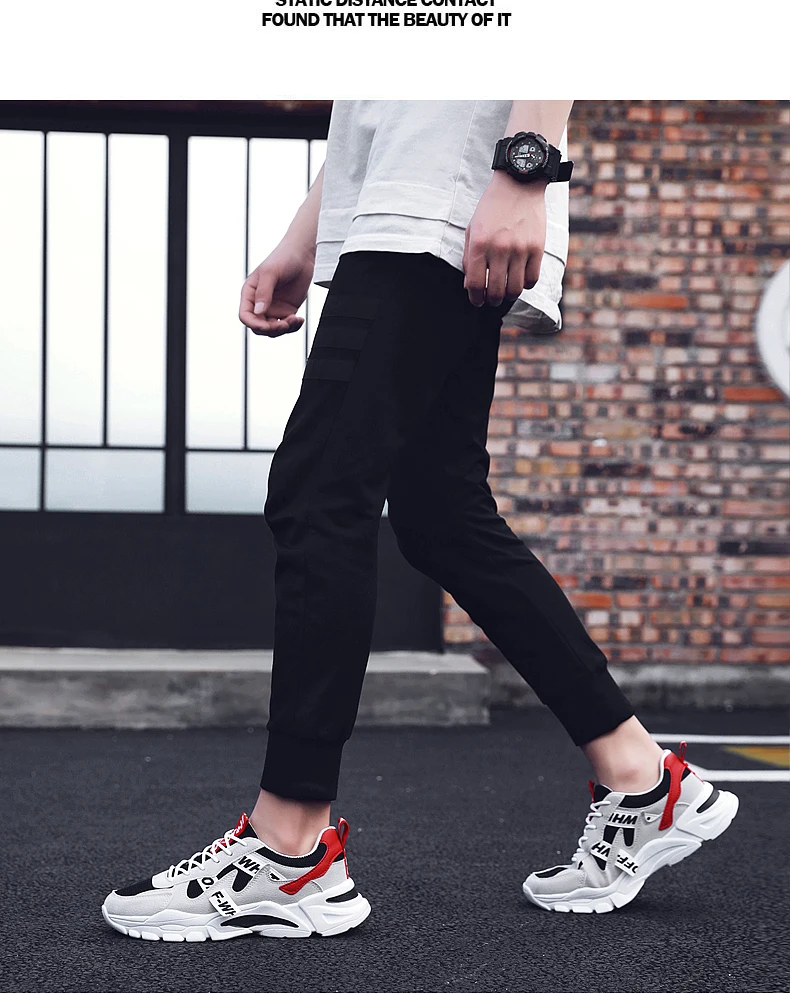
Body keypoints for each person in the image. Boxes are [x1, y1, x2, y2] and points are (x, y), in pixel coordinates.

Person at [101, 102, 738, 940]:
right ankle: (640, 779)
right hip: (412, 203)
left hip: (446, 202)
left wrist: (525, 167)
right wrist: (306, 233)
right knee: (440, 514)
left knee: (319, 491)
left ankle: (289, 849)